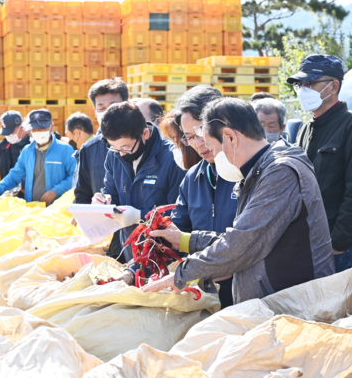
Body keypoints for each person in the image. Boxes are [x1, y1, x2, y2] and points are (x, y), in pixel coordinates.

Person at [142, 97, 335, 304]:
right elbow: (244, 237)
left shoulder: (280, 173)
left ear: (230, 138)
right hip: (277, 303)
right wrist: (189, 241)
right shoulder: (260, 171)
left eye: (213, 149)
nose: (214, 158)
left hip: (295, 306)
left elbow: (243, 242)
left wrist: (182, 274)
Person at [292, 55, 352, 274]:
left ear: (334, 86)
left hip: (339, 250)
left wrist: (338, 243)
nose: (304, 89)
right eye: (300, 84)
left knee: (342, 308)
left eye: (310, 83)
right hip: (305, 245)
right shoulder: (305, 129)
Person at [162, 85, 237, 308]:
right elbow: (176, 231)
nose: (197, 143)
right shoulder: (193, 177)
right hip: (205, 293)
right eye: (189, 138)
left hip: (249, 291)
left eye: (200, 132)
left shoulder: (249, 172)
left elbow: (249, 241)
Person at [93, 101, 186, 260]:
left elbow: (180, 215)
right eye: (115, 148)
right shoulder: (114, 155)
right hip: (131, 252)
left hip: (165, 256)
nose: (121, 154)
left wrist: (140, 216)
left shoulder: (173, 159)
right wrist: (104, 202)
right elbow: (111, 191)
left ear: (145, 134)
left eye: (126, 147)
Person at [74, 79, 130, 259]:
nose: (107, 112)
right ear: (95, 110)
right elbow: (81, 194)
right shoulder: (89, 150)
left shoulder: (142, 143)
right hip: (104, 243)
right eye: (101, 107)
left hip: (137, 237)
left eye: (113, 106)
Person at [0, 109, 76, 205]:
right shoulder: (27, 151)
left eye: (42, 129)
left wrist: (56, 191)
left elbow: (75, 176)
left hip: (57, 209)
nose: (38, 132)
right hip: (32, 208)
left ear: (51, 127)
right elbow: (14, 175)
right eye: (35, 129)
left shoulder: (66, 150)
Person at [65, 112, 95, 188]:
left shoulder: (90, 153)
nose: (69, 139)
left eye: (68, 135)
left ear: (76, 133)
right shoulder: (92, 150)